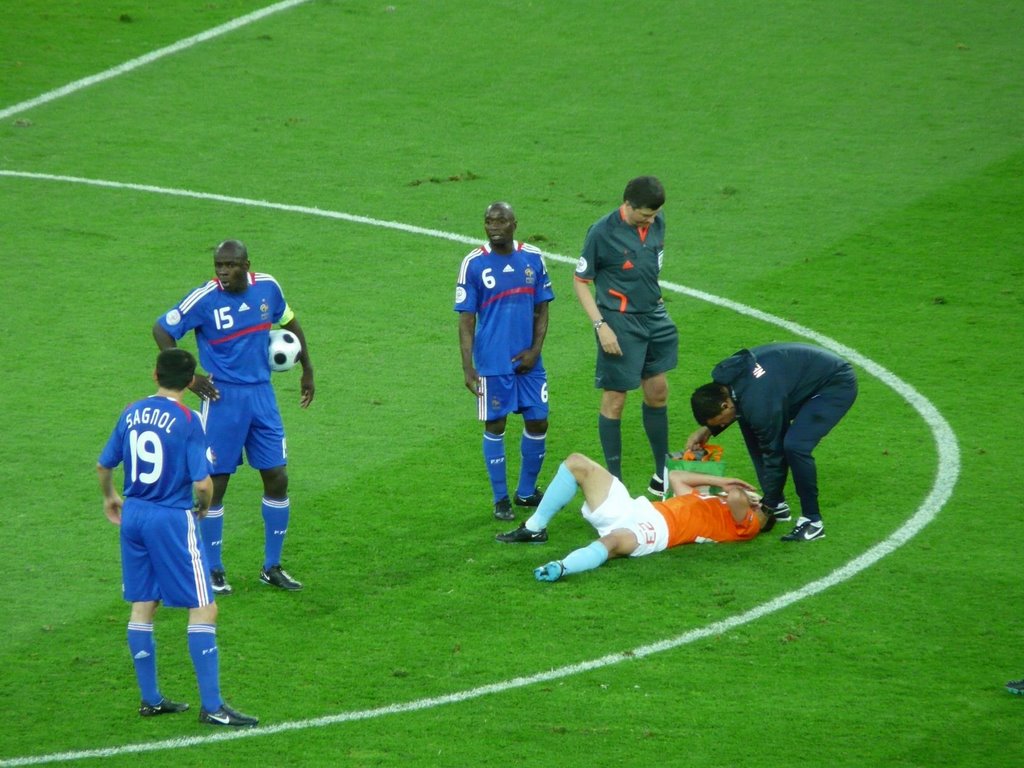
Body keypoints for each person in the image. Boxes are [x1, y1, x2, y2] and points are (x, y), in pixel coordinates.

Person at [97, 348, 258, 726]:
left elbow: (105, 464)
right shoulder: (188, 420)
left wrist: (110, 497)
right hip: (170, 518)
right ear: (190, 381)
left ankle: (151, 699)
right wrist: (202, 508)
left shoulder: (131, 411)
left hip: (134, 514)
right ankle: (213, 707)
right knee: (205, 608)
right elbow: (202, 483)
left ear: (154, 374)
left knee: (143, 603)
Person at [153, 239, 314, 593]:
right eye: (218, 265)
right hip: (222, 399)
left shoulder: (268, 288)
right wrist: (188, 377)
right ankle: (212, 569)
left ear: (246, 264)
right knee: (217, 483)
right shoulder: (204, 298)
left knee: (277, 477)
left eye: (230, 265)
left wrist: (307, 369)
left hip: (262, 398)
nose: (223, 272)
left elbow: (290, 323)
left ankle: (272, 566)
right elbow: (162, 329)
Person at [496, 452, 769, 581]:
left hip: (658, 531)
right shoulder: (707, 500)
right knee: (577, 463)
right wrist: (718, 483)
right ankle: (534, 528)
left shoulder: (747, 525)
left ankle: (562, 567)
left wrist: (740, 494)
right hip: (635, 508)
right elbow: (676, 476)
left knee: (613, 543)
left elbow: (736, 499)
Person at [687, 342, 858, 542]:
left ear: (725, 404)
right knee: (747, 422)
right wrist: (709, 429)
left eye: (721, 420)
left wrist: (766, 506)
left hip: (833, 384)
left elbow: (774, 454)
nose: (725, 423)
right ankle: (778, 505)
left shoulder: (758, 401)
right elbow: (739, 409)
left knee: (795, 446)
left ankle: (812, 521)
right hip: (793, 381)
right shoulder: (726, 384)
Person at [574, 175, 678, 496]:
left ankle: (662, 473)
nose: (651, 219)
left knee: (658, 391)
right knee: (615, 400)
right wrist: (600, 325)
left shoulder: (657, 225)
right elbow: (581, 282)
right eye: (645, 214)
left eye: (655, 214)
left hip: (654, 318)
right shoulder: (602, 233)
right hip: (619, 323)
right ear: (628, 205)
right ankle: (615, 482)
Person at [455, 202, 555, 520]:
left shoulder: (534, 258)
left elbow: (543, 309)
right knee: (496, 424)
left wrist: (536, 350)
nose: (494, 225)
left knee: (538, 420)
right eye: (488, 221)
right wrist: (467, 366)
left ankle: (526, 492)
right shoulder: (473, 263)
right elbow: (466, 320)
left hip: (529, 360)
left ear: (514, 223)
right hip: (492, 361)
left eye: (501, 220)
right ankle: (500, 499)